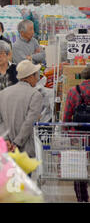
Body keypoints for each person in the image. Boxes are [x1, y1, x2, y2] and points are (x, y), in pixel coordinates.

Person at [0, 60, 43, 158]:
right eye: (36, 75)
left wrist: (6, 139)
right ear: (30, 76)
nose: (37, 78)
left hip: (5, 149)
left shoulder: (3, 93)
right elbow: (29, 122)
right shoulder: (35, 95)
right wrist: (17, 143)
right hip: (25, 150)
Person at [63, 65, 90, 203]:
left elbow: (67, 116)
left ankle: (82, 199)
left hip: (78, 136)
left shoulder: (74, 91)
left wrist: (65, 132)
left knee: (78, 169)